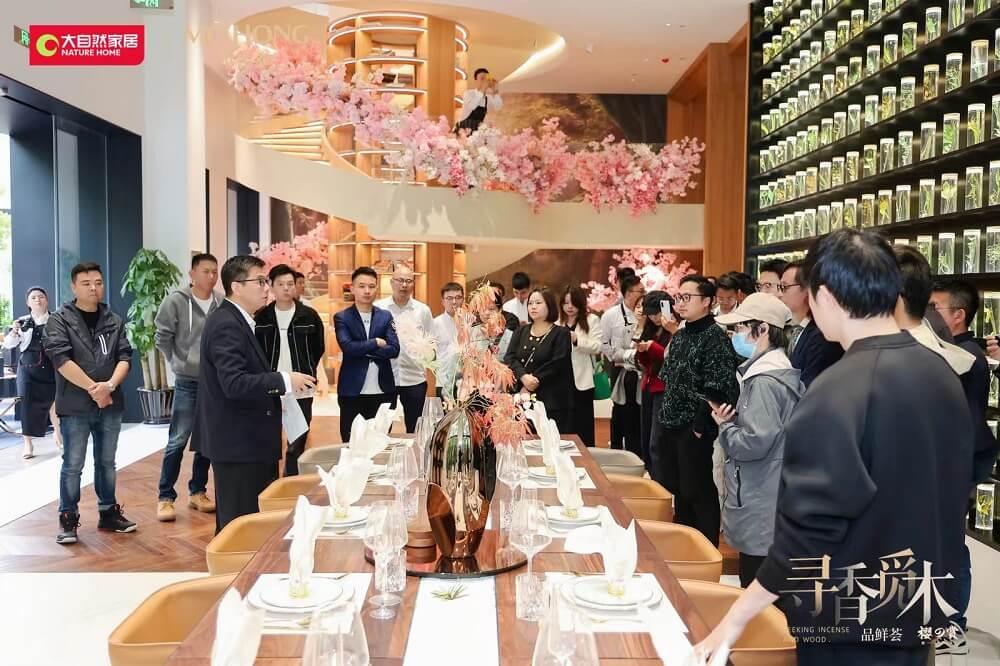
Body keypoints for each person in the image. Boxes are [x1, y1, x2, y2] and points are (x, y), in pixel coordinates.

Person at [697, 229, 971, 666]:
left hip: (848, 616)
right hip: (915, 606)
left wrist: (736, 618)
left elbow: (808, 532)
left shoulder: (837, 390)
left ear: (823, 295)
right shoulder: (940, 372)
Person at [198, 256, 317, 532]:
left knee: (248, 521)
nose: (267, 288)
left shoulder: (239, 320)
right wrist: (284, 380)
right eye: (260, 281)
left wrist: (273, 397)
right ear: (236, 287)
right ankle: (235, 561)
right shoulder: (226, 323)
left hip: (247, 441)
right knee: (240, 525)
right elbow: (234, 383)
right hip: (238, 443)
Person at [713, 293, 803, 588]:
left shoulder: (764, 380)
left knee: (756, 580)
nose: (736, 334)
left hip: (760, 492)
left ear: (762, 329)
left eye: (740, 327)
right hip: (769, 489)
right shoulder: (777, 372)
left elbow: (753, 443)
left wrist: (726, 427)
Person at [929, 278, 998, 654]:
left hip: (956, 465)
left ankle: (952, 625)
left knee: (951, 547)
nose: (927, 315)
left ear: (958, 315)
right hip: (954, 464)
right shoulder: (959, 351)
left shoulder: (964, 357)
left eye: (934, 308)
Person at [44, 262, 134, 544]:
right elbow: (61, 360)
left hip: (110, 402)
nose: (94, 288)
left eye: (98, 282)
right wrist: (96, 390)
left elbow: (125, 357)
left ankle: (108, 513)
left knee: (107, 462)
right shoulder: (59, 320)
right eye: (86, 283)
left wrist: (109, 386)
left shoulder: (113, 320)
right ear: (73, 287)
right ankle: (68, 518)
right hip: (75, 405)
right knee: (73, 464)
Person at [656, 275, 739, 546]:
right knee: (679, 488)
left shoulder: (715, 337)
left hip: (694, 425)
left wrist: (700, 427)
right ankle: (685, 546)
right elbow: (668, 377)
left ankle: (705, 549)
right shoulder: (681, 335)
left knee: (698, 489)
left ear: (707, 302)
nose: (680, 303)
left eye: (687, 297)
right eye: (678, 297)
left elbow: (718, 387)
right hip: (672, 422)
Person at [153, 253, 219, 522]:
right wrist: (178, 362)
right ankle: (165, 497)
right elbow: (162, 337)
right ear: (192, 273)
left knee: (207, 440)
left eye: (215, 271)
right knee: (178, 440)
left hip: (215, 382)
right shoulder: (176, 301)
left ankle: (198, 491)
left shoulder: (221, 302)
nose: (211, 276)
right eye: (206, 271)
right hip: (187, 382)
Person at [255, 264, 326, 476]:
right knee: (269, 438)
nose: (286, 288)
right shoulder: (261, 317)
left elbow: (318, 348)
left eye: (290, 284)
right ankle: (269, 482)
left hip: (301, 387)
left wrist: (307, 369)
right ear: (271, 286)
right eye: (281, 284)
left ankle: (290, 480)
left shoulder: (309, 316)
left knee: (298, 440)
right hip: (271, 386)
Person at [335, 267, 400, 441]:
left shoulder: (385, 316)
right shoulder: (342, 317)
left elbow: (394, 349)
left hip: (383, 391)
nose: (367, 291)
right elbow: (348, 347)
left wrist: (362, 350)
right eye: (362, 286)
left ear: (376, 288)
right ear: (352, 288)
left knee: (380, 442)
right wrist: (375, 342)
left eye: (371, 286)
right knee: (351, 443)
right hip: (352, 392)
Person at [505, 288, 574, 434]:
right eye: (530, 303)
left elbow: (557, 363)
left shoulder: (561, 333)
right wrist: (523, 377)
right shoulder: (521, 331)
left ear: (549, 305)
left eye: (538, 303)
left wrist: (532, 383)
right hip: (523, 398)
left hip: (552, 400)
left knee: (551, 441)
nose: (533, 307)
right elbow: (510, 357)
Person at [375, 263, 434, 432]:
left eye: (408, 281)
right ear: (391, 282)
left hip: (415, 378)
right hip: (385, 377)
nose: (404, 285)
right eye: (400, 280)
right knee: (382, 429)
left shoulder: (423, 310)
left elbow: (430, 341)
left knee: (415, 429)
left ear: (413, 284)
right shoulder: (378, 308)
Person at [3, 287, 60, 460]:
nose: (37, 300)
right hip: (27, 369)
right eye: (33, 298)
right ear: (28, 303)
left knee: (54, 403)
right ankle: (27, 443)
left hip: (50, 367)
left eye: (41, 296)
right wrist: (14, 331)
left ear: (47, 300)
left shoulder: (56, 320)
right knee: (26, 404)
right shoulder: (22, 322)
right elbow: (9, 344)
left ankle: (58, 434)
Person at [779, 260, 842, 387]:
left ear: (807, 289)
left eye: (785, 287)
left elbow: (809, 387)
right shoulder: (795, 329)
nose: (780, 294)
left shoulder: (823, 336)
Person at [601, 274, 645, 456]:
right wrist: (627, 357)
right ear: (628, 293)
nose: (643, 294)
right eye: (640, 291)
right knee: (620, 410)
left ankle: (637, 452)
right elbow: (605, 345)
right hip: (620, 371)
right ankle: (617, 449)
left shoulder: (646, 315)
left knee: (638, 414)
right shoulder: (611, 315)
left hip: (642, 373)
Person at [636, 291, 675, 472]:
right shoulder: (651, 329)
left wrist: (652, 347)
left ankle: (660, 479)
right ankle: (651, 475)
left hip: (664, 388)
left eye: (657, 313)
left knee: (657, 442)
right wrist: (643, 350)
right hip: (649, 385)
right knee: (645, 438)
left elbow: (671, 357)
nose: (654, 318)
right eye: (650, 315)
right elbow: (646, 363)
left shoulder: (675, 328)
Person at [558, 286, 602, 447]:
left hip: (582, 379)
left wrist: (577, 340)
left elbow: (598, 347)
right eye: (566, 303)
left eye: (573, 303)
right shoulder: (557, 322)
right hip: (561, 379)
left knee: (584, 423)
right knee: (564, 422)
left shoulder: (592, 320)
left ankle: (587, 453)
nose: (569, 307)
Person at [433, 282, 464, 399]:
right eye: (449, 298)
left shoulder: (471, 322)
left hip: (466, 383)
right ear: (443, 301)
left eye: (458, 297)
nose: (454, 302)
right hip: (443, 382)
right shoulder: (435, 323)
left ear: (463, 299)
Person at [456, 67, 502, 134]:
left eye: (486, 79)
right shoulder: (468, 93)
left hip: (477, 133)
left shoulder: (487, 98)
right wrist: (483, 89)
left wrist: (496, 91)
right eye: (482, 78)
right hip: (464, 130)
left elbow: (498, 107)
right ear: (475, 81)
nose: (485, 81)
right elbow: (472, 106)